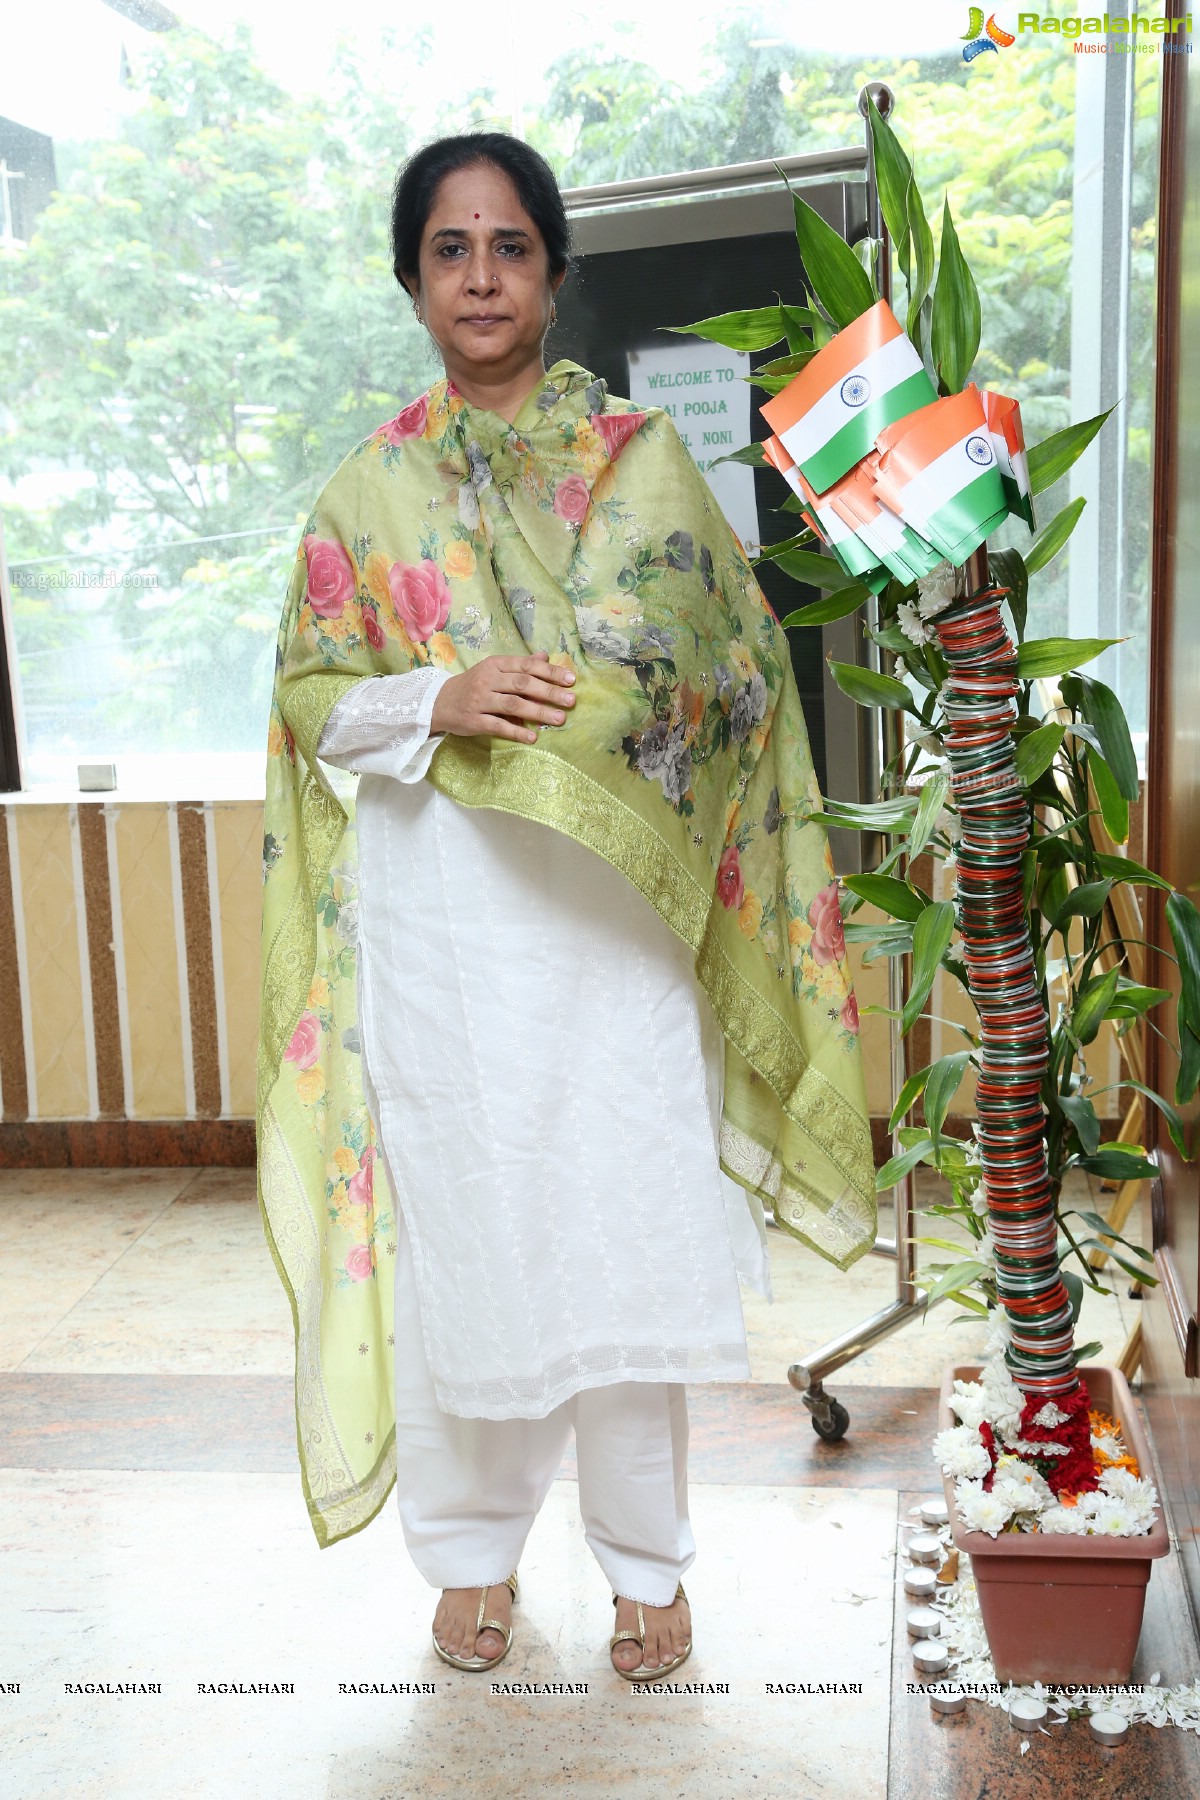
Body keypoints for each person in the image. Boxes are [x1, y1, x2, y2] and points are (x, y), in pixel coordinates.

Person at [257, 131, 875, 1682]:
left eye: (511, 245)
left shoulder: (637, 470)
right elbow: (312, 706)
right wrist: (444, 690)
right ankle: (468, 1562)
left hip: (607, 935)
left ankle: (648, 1566)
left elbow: (728, 679)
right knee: (467, 1235)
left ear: (553, 270)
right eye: (451, 248)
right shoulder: (367, 492)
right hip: (443, 938)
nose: (480, 275)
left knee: (621, 1237)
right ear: (412, 278)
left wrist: (602, 700)